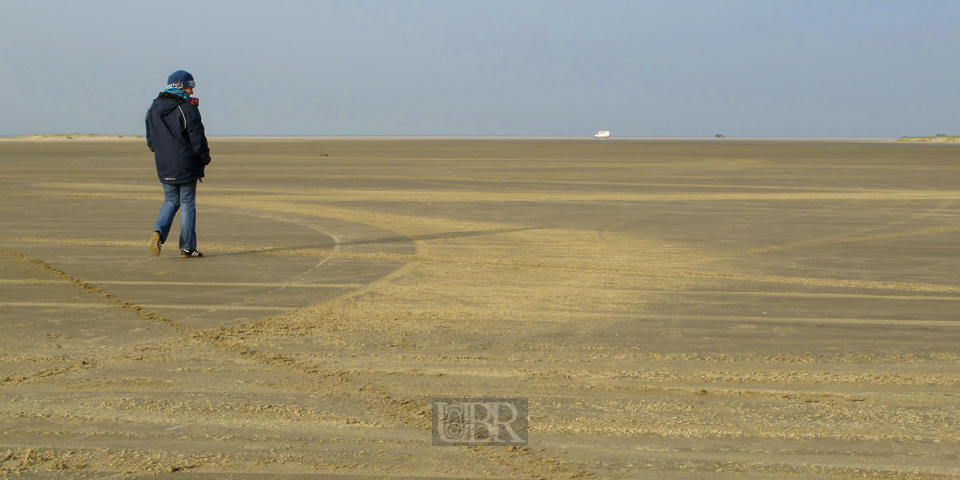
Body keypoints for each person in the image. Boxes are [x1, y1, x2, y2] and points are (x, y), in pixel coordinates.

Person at [145, 70, 211, 258]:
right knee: (187, 203)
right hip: (185, 163)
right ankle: (187, 247)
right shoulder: (187, 109)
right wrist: (205, 158)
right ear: (181, 86)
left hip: (164, 163)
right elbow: (197, 139)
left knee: (171, 200)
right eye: (190, 86)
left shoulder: (152, 109)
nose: (192, 90)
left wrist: (163, 154)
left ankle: (159, 231)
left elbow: (151, 141)